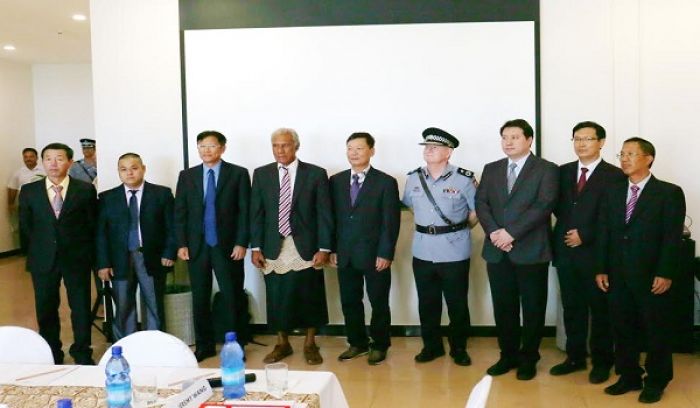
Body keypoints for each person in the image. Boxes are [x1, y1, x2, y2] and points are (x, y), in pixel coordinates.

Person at [596, 137, 685, 404]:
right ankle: (629, 375)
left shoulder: (668, 193)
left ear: (648, 158)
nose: (623, 159)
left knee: (655, 330)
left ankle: (656, 381)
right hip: (617, 273)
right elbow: (604, 232)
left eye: (631, 154)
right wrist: (601, 268)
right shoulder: (612, 190)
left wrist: (666, 272)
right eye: (622, 154)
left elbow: (672, 238)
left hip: (651, 275)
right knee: (622, 328)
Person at [475, 119, 558, 380]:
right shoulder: (492, 168)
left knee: (532, 307)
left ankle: (529, 358)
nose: (508, 142)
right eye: (504, 137)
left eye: (514, 137)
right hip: (497, 250)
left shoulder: (546, 169)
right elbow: (482, 203)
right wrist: (494, 233)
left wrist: (511, 233)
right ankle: (507, 355)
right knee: (504, 306)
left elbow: (544, 205)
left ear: (529, 140)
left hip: (531, 250)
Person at [550, 121, 625, 383]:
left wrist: (586, 233)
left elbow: (616, 216)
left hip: (597, 254)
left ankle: (603, 361)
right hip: (566, 251)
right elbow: (559, 207)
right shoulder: (562, 172)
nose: (581, 144)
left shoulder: (615, 175)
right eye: (577, 139)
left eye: (588, 139)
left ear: (601, 142)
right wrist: (571, 231)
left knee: (600, 310)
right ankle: (575, 357)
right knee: (572, 308)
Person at [250, 128, 333, 366]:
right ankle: (282, 343)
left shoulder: (315, 174)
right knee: (276, 295)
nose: (280, 150)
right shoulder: (262, 174)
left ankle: (310, 343)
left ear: (296, 146)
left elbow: (324, 214)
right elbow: (257, 213)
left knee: (309, 294)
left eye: (285, 145)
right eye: (275, 145)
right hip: (273, 245)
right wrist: (255, 247)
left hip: (306, 245)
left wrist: (324, 248)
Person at [401, 127, 478, 366]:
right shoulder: (413, 178)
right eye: (426, 146)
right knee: (427, 302)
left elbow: (477, 212)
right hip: (423, 250)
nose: (429, 150)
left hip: (454, 250)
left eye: (435, 147)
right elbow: (411, 207)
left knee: (457, 303)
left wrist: (456, 230)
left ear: (448, 152)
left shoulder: (464, 178)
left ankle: (458, 348)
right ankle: (431, 346)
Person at [174, 130, 251, 362]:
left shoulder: (237, 174)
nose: (206, 150)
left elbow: (244, 212)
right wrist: (181, 243)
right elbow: (181, 212)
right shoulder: (187, 176)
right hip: (197, 246)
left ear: (222, 148)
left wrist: (241, 242)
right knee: (200, 297)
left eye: (211, 146)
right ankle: (205, 345)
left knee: (232, 296)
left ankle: (235, 346)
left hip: (227, 245)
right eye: (201, 146)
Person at [18, 142, 97, 365]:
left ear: (70, 162)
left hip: (77, 257)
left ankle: (82, 352)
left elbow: (92, 226)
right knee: (46, 308)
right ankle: (52, 352)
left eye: (60, 158)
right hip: (43, 259)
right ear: (43, 162)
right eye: (49, 158)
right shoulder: (29, 191)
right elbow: (26, 226)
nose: (53, 163)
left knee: (80, 307)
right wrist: (33, 253)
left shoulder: (84, 189)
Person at [329, 132, 401, 365]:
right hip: (345, 254)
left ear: (371, 151)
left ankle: (380, 344)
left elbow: (391, 222)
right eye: (350, 148)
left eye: (359, 148)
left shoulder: (386, 182)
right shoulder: (336, 181)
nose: (354, 153)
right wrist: (332, 249)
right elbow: (332, 219)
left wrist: (385, 253)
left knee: (378, 302)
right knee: (350, 301)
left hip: (375, 255)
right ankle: (357, 343)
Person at [96, 153, 177, 340]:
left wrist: (169, 253)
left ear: (143, 168)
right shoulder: (108, 198)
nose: (129, 173)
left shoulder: (161, 194)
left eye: (134, 168)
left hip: (151, 257)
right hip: (120, 259)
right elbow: (101, 234)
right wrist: (103, 263)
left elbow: (171, 228)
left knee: (153, 303)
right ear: (118, 172)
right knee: (123, 304)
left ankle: (154, 342)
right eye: (123, 169)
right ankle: (126, 343)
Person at [7, 148, 45, 244]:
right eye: (26, 157)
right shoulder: (18, 173)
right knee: (25, 227)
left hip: (43, 204)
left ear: (36, 157)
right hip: (25, 205)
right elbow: (12, 188)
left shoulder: (45, 170)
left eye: (31, 156)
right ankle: (27, 250)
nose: (28, 159)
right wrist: (10, 203)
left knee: (42, 226)